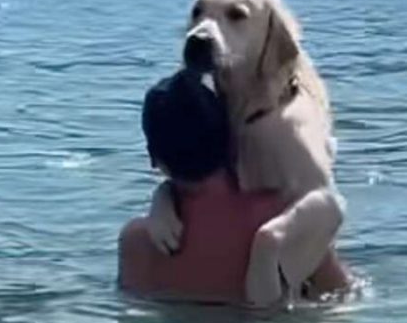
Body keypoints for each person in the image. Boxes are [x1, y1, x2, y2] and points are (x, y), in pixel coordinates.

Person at [118, 70, 350, 306]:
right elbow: (342, 296)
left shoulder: (136, 243)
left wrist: (164, 194)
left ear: (153, 158)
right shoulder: (282, 217)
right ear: (233, 140)